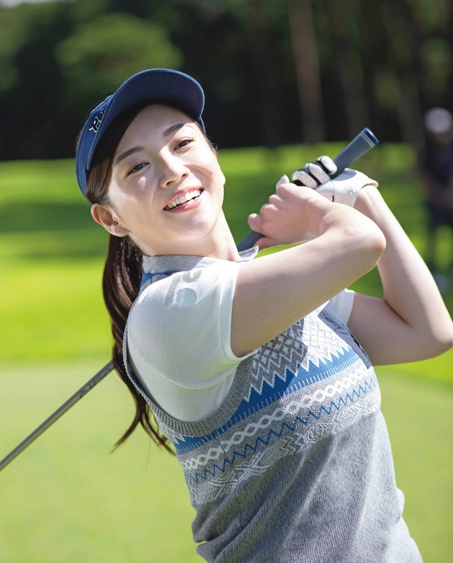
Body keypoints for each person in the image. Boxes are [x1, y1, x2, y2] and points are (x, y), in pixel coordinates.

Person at [75, 68, 453, 563]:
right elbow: (360, 243)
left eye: (183, 143)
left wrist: (358, 192)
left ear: (214, 154)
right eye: (136, 168)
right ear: (111, 218)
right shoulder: (168, 314)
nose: (172, 170)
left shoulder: (277, 288)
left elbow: (426, 332)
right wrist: (316, 215)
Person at [421, 107, 453, 283]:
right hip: (435, 202)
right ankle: (432, 270)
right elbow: (424, 177)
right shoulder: (428, 151)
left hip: (450, 202)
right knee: (433, 237)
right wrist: (439, 195)